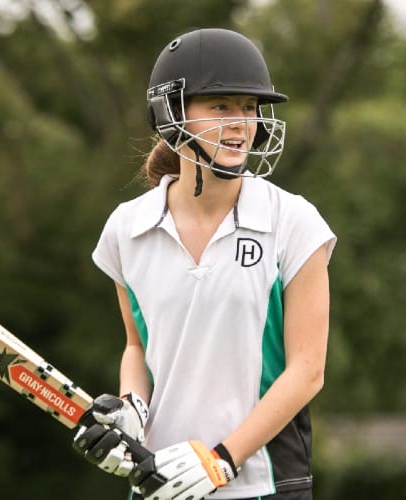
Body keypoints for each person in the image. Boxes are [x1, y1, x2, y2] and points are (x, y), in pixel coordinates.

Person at [72, 28, 337, 500]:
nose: (242, 123)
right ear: (170, 113)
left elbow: (307, 370)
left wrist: (221, 461)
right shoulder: (126, 228)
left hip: (263, 485)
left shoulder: (294, 222)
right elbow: (138, 346)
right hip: (158, 484)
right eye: (221, 107)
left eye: (250, 108)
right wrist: (132, 406)